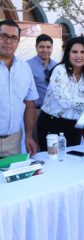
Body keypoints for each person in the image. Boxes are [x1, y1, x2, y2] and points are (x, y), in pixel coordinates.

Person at [37, 36, 84, 151]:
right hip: (52, 123)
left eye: (83, 52)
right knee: (53, 161)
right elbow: (64, 100)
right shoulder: (60, 70)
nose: (79, 55)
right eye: (74, 52)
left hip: (74, 125)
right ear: (68, 53)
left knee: (72, 161)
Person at [0, 19, 38, 157]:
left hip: (14, 142)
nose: (8, 41)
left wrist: (28, 136)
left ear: (18, 41)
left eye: (13, 38)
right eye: (4, 36)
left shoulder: (24, 68)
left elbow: (29, 102)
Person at [27, 34, 57, 149]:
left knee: (52, 144)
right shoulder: (28, 65)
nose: (45, 50)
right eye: (42, 47)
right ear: (36, 47)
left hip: (54, 112)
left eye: (48, 47)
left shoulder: (57, 66)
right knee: (37, 143)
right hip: (36, 111)